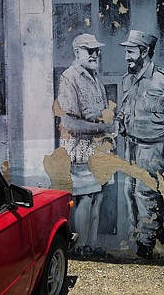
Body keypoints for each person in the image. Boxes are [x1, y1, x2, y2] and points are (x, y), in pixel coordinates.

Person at [116, 30, 164, 259]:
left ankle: (146, 242)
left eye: (130, 51)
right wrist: (119, 122)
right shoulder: (128, 78)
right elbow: (124, 108)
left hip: (153, 146)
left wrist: (161, 136)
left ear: (144, 52)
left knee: (146, 192)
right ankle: (151, 230)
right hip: (131, 145)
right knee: (130, 190)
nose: (126, 56)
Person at [54, 33, 113, 255]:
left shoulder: (94, 76)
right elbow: (69, 122)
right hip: (80, 148)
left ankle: (92, 247)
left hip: (99, 148)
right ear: (77, 52)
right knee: (85, 198)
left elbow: (100, 114)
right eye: (89, 50)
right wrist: (102, 126)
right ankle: (78, 250)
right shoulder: (70, 77)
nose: (95, 54)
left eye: (97, 50)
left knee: (97, 197)